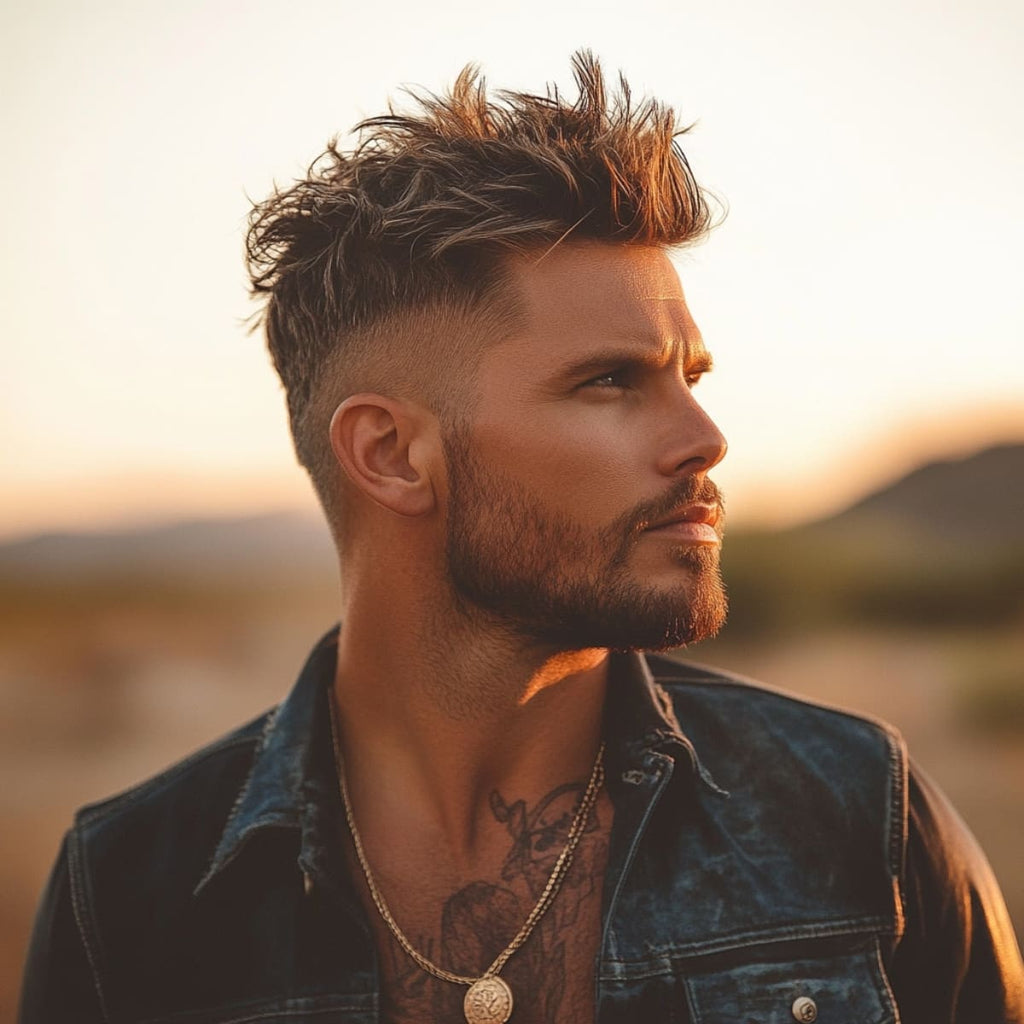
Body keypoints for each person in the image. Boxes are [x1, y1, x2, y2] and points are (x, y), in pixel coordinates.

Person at [19, 52, 1024, 1024]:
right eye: (610, 381)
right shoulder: (132, 893)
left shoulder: (857, 816)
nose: (703, 439)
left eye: (690, 377)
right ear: (392, 454)